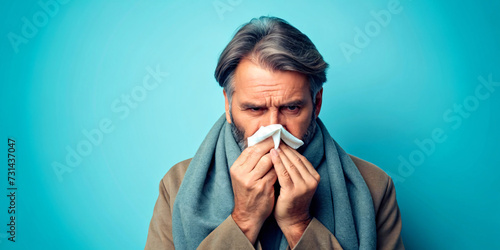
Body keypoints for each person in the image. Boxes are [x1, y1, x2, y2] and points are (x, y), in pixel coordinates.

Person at [145, 16, 404, 250]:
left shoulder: (373, 187)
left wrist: (299, 224)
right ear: (228, 104)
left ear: (317, 104)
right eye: (254, 108)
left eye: (291, 107)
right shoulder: (178, 185)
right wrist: (243, 221)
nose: (272, 128)